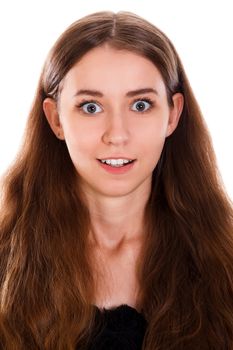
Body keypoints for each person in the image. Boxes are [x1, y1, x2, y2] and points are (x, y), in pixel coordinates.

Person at [0, 10, 233, 350]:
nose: (117, 135)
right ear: (55, 119)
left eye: (140, 105)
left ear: (173, 114)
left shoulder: (225, 263)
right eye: (91, 107)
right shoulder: (6, 262)